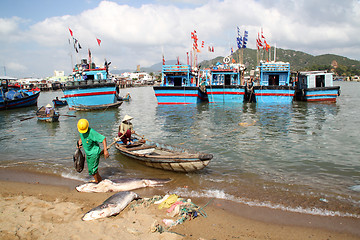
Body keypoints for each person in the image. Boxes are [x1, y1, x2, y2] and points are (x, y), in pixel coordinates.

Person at [77, 119, 109, 183]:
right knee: (93, 169)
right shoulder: (81, 130)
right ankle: (99, 180)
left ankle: (98, 182)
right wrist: (80, 142)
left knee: (92, 170)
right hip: (88, 153)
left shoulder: (92, 132)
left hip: (94, 153)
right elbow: (81, 136)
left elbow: (103, 138)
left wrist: (105, 150)